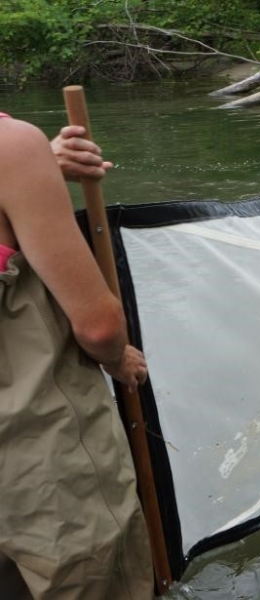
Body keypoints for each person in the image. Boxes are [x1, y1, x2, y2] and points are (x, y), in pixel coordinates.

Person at [0, 113, 154, 599]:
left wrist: (37, 170)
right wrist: (116, 360)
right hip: (35, 458)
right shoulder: (9, 147)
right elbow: (99, 325)